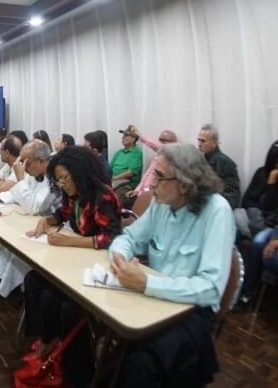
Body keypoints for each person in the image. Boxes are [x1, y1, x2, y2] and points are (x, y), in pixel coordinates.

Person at [109, 143, 234, 387]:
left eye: (159, 176)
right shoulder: (160, 203)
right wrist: (121, 261)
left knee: (140, 360)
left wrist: (147, 283)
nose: (151, 184)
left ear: (184, 185)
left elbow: (210, 288)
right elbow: (129, 238)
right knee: (110, 329)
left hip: (190, 310)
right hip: (152, 298)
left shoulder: (217, 211)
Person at [21, 146, 122, 385]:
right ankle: (48, 340)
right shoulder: (74, 195)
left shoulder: (103, 196)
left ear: (81, 173)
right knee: (34, 281)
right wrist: (47, 220)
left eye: (66, 177)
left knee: (65, 306)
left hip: (97, 267)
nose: (63, 183)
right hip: (76, 261)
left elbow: (111, 238)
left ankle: (73, 367)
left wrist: (73, 241)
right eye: (58, 179)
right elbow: (63, 213)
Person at [0, 141, 57, 297]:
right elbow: (17, 193)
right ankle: (9, 285)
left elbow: (34, 206)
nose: (23, 166)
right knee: (8, 242)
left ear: (41, 161)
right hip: (33, 221)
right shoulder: (35, 172)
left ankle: (20, 290)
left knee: (17, 250)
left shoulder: (54, 176)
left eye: (26, 162)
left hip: (48, 225)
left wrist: (20, 177)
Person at [239, 140, 278, 301]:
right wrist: (272, 183)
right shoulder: (263, 173)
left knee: (258, 242)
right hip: (265, 220)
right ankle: (245, 289)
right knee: (248, 235)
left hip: (272, 225)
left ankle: (249, 289)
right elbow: (264, 205)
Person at [197, 123, 241, 209]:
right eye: (199, 140)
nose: (199, 144)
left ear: (214, 143)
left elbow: (232, 195)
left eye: (203, 141)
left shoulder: (225, 163)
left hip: (216, 208)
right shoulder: (200, 160)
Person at [128, 128, 178, 199]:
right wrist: (137, 190)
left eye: (165, 141)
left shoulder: (172, 157)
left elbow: (156, 145)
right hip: (142, 193)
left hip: (154, 196)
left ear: (174, 143)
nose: (161, 143)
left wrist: (139, 135)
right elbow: (146, 176)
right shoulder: (157, 157)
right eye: (160, 140)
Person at [110, 125, 143, 199]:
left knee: (112, 198)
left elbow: (130, 173)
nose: (123, 137)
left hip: (127, 184)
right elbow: (110, 168)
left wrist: (114, 178)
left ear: (134, 138)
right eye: (123, 135)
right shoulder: (119, 152)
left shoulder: (137, 153)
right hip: (114, 182)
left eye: (126, 135)